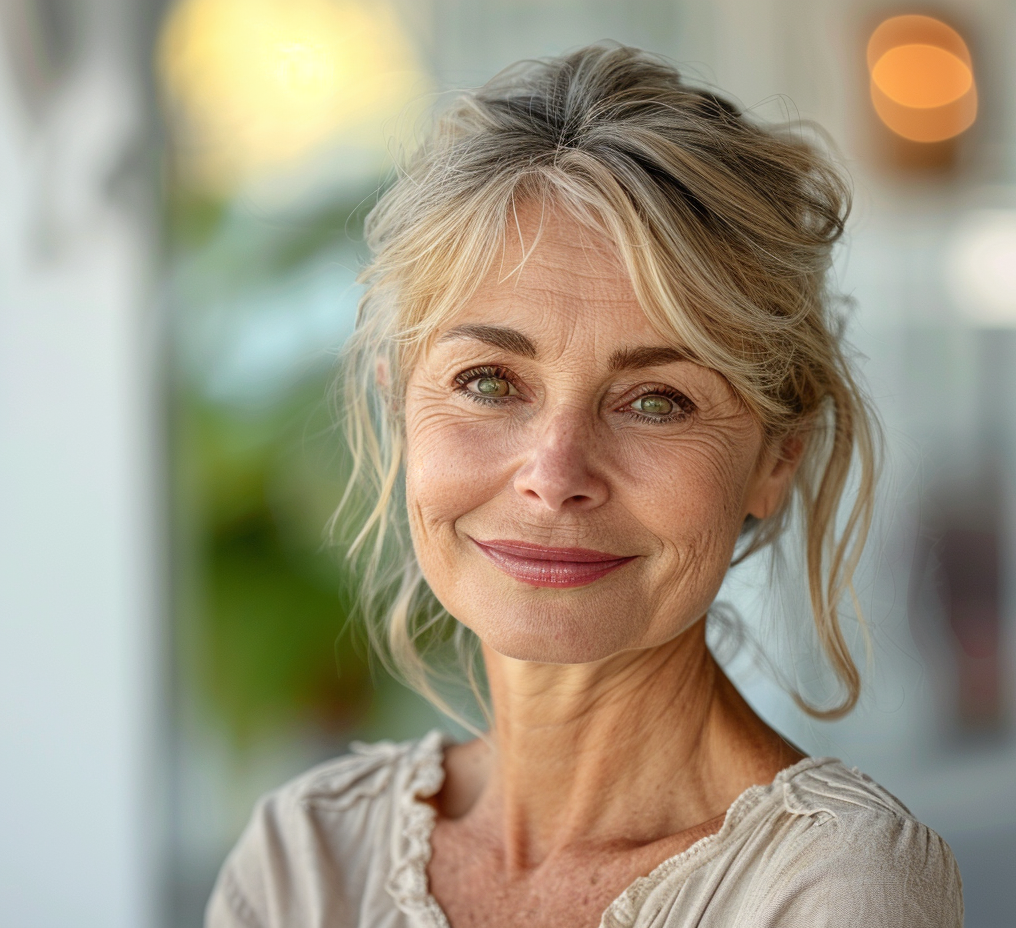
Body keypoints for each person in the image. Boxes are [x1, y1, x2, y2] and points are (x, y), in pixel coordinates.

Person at [206, 43, 963, 928]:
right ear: (400, 406)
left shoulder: (829, 891)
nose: (555, 475)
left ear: (775, 456)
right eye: (489, 382)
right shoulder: (306, 858)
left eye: (656, 400)